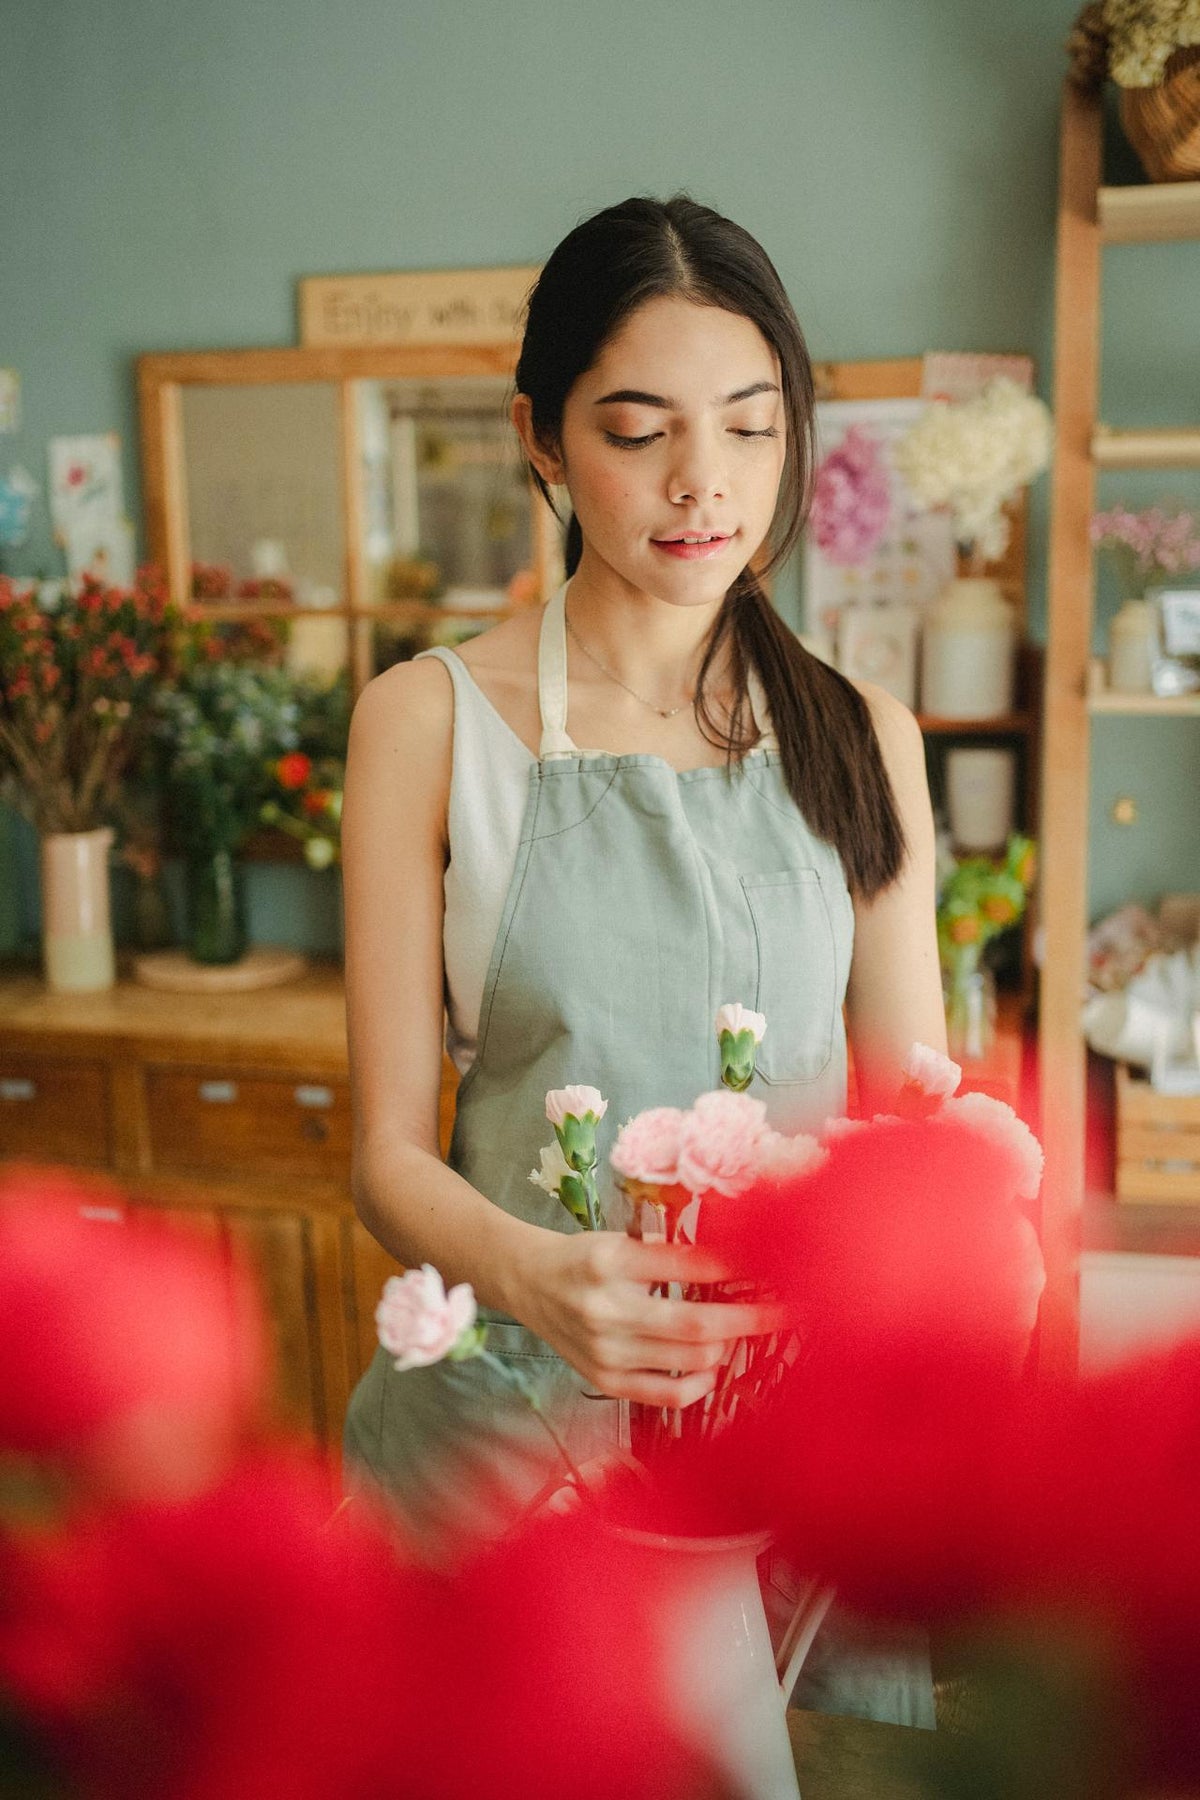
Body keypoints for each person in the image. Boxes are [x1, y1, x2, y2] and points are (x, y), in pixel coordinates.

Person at [341, 195, 947, 1723]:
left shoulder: (860, 737)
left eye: (751, 428)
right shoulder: (430, 723)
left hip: (762, 1456)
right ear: (543, 441)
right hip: (496, 1435)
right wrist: (537, 1275)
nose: (704, 484)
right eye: (638, 430)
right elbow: (386, 1156)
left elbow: (912, 1127)